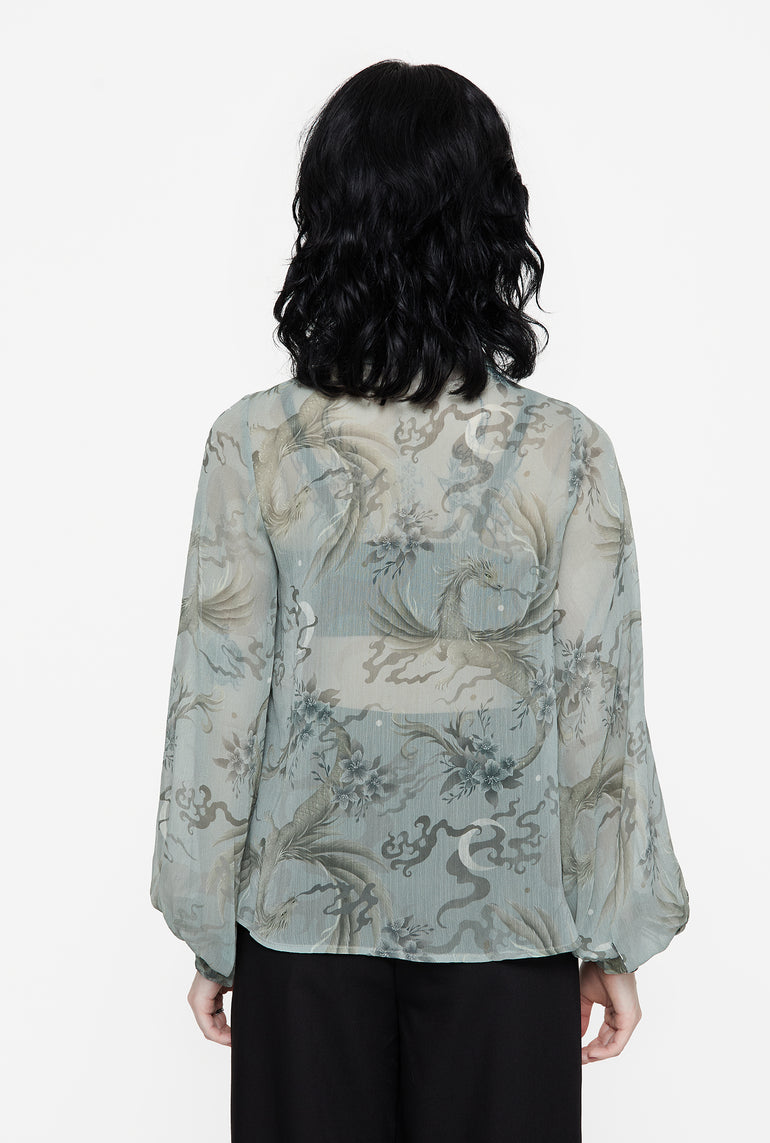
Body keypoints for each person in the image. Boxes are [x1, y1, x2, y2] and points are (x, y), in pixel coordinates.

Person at [149, 59, 690, 1143]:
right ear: (492, 225)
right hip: (509, 927)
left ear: (327, 222)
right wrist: (610, 935)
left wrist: (211, 929)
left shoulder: (254, 443)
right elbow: (595, 707)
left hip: (302, 927)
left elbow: (220, 699)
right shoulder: (566, 452)